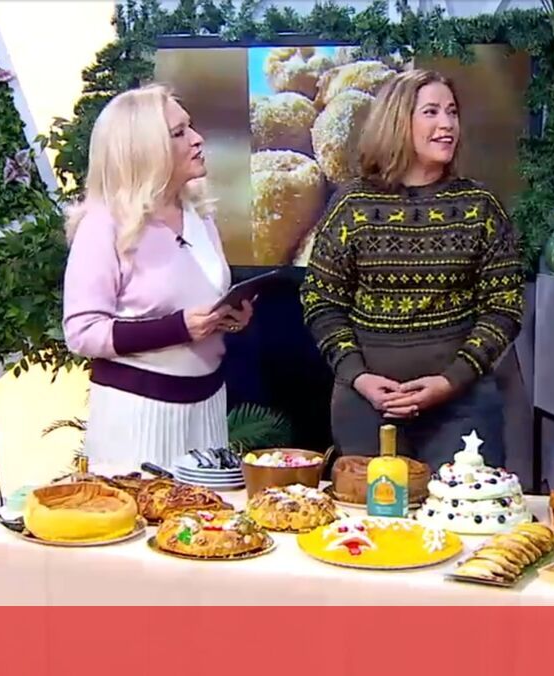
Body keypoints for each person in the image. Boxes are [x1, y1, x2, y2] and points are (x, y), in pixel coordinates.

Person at [299, 69, 524, 469]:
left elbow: (504, 307)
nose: (447, 124)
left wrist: (451, 380)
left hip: (462, 407)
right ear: (397, 121)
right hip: (366, 406)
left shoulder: (479, 206)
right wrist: (358, 376)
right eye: (431, 112)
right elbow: (321, 301)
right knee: (373, 511)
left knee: (462, 510)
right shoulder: (353, 205)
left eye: (452, 112)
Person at [62, 84, 252, 474]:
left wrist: (228, 319)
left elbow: (199, 303)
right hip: (137, 416)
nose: (197, 139)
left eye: (190, 127)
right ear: (144, 150)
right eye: (179, 133)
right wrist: (178, 328)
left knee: (206, 514)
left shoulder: (198, 214)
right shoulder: (104, 225)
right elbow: (82, 332)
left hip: (206, 406)